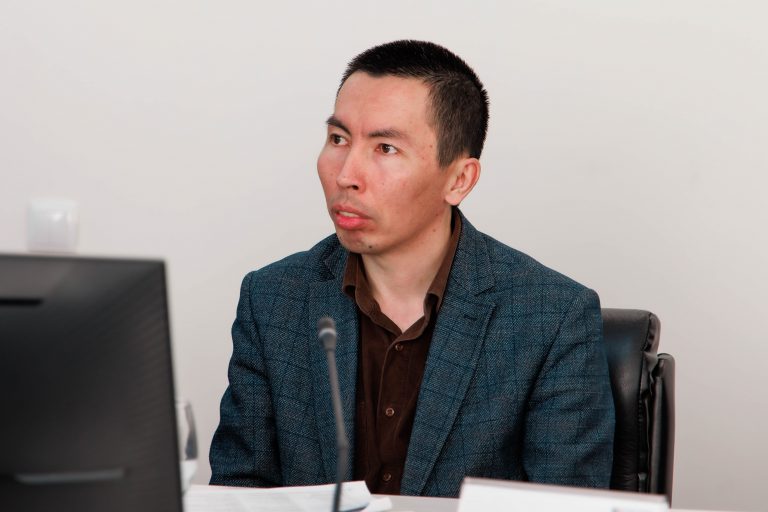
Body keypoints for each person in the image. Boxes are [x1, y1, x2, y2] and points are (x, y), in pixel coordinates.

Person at [209, 40, 614, 497]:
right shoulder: (272, 299)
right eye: (338, 139)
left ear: (459, 179)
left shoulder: (553, 318)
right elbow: (236, 494)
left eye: (385, 148)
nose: (346, 175)